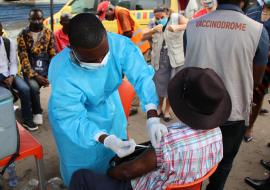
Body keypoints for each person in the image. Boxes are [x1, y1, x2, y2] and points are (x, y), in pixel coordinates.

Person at [48, 13, 168, 186]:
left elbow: (143, 76)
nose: (100, 62)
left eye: (104, 55)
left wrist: (152, 115)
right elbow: (72, 119)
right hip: (74, 119)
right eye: (92, 60)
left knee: (113, 161)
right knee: (83, 171)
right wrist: (106, 138)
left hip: (109, 107)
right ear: (72, 49)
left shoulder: (119, 45)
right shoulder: (62, 72)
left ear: (105, 34)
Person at [69, 67, 231, 190]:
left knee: (81, 177)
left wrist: (111, 172)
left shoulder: (170, 142)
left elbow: (126, 172)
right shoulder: (217, 134)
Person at [183, 0, 269, 189]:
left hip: (194, 109)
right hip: (233, 111)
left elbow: (189, 62)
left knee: (192, 161)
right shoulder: (257, 31)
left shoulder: (192, 25)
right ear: (243, 1)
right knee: (224, 164)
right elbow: (257, 78)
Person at [97, 1, 151, 116]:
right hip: (136, 48)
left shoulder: (121, 13)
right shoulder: (118, 14)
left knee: (135, 77)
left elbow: (127, 34)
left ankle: (134, 106)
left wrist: (112, 38)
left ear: (110, 10)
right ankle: (130, 102)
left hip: (139, 48)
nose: (107, 19)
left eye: (106, 16)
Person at [143, 7, 188, 122]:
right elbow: (143, 35)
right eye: (158, 18)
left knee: (171, 85)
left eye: (162, 17)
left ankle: (167, 110)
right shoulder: (153, 22)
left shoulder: (176, 17)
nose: (160, 19)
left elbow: (189, 24)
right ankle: (159, 107)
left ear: (167, 13)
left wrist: (177, 27)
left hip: (175, 58)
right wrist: (153, 30)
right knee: (159, 84)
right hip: (159, 58)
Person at [17, 8, 56, 126]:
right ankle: (37, 111)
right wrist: (36, 76)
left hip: (45, 70)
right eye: (33, 19)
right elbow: (23, 58)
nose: (37, 21)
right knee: (33, 86)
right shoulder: (22, 35)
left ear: (43, 19)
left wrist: (50, 74)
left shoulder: (48, 33)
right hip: (30, 71)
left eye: (39, 19)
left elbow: (52, 54)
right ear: (29, 19)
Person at [0, 22, 37, 131]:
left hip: (9, 74)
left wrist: (11, 76)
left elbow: (14, 62)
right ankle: (5, 122)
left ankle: (27, 119)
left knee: (25, 89)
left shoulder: (8, 43)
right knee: (4, 94)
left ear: (1, 32)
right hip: (1, 77)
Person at [243, 0, 270, 142]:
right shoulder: (252, 10)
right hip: (246, 58)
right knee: (242, 90)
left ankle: (249, 126)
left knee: (258, 94)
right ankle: (239, 120)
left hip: (266, 64)